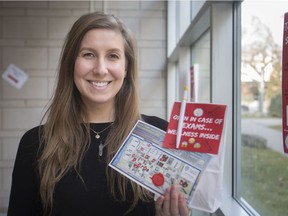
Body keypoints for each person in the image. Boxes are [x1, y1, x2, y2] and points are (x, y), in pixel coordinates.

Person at [7, 11, 191, 216]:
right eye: (88, 54)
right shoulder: (35, 143)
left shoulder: (159, 134)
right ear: (71, 64)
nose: (101, 69)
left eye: (113, 56)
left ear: (126, 68)